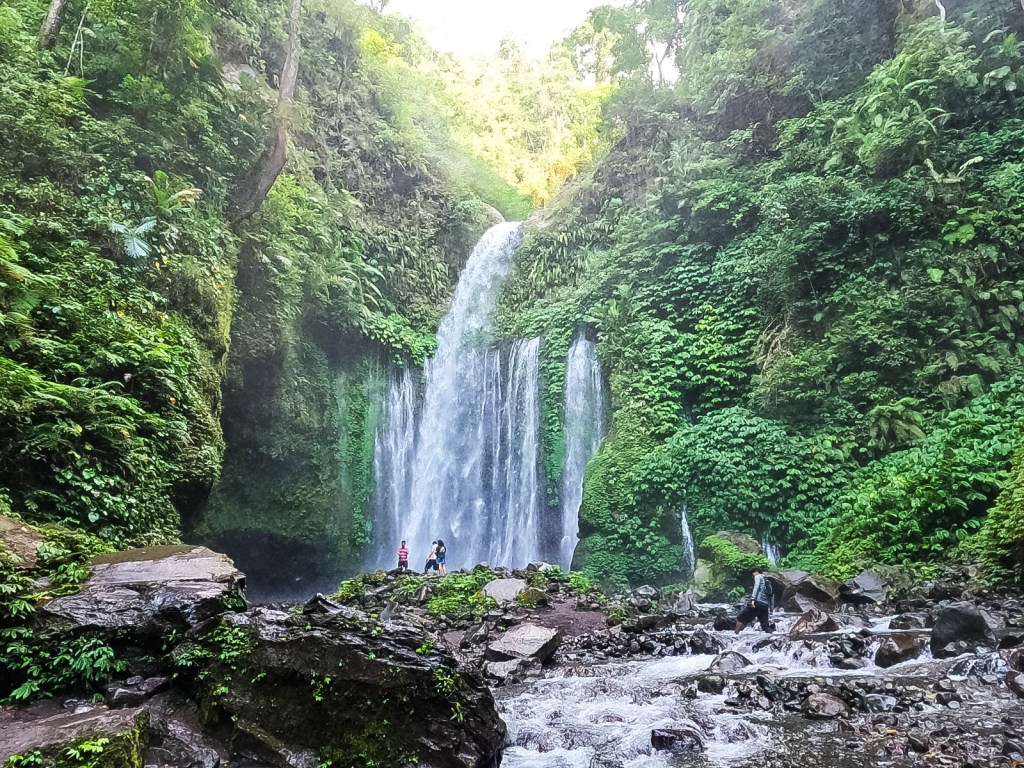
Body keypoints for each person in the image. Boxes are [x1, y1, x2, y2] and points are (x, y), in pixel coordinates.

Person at [735, 567, 773, 634]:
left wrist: (753, 599)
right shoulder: (766, 579)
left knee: (740, 617)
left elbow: (756, 587)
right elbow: (771, 594)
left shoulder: (758, 576)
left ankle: (735, 636)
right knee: (765, 625)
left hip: (757, 602)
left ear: (756, 571)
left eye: (752, 574)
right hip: (765, 604)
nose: (752, 576)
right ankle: (772, 638)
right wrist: (771, 607)